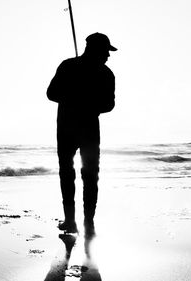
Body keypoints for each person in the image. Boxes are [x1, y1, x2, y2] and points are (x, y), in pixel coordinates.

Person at [47, 32, 117, 236]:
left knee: (69, 174)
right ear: (95, 49)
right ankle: (85, 222)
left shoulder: (70, 66)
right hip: (86, 130)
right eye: (106, 51)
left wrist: (74, 98)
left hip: (68, 128)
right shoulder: (104, 73)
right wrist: (87, 101)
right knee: (88, 175)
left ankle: (74, 222)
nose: (108, 56)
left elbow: (52, 94)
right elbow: (108, 105)